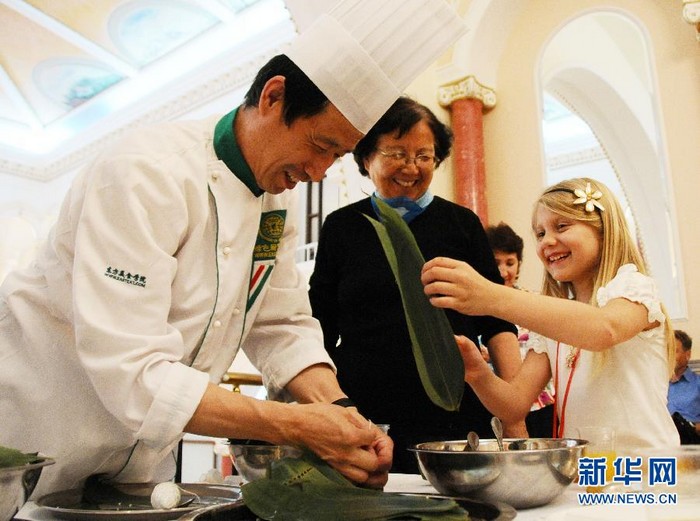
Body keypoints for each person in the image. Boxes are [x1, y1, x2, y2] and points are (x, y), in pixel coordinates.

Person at [0, 0, 467, 496]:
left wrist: (341, 415)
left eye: (335, 156)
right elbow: (132, 371)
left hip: (137, 472)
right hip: (35, 448)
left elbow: (281, 326)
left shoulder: (273, 206)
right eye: (321, 145)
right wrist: (296, 425)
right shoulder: (144, 173)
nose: (318, 172)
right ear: (273, 96)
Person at [308, 96, 523, 473]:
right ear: (366, 157)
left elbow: (497, 320)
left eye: (424, 156)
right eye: (396, 153)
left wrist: (513, 409)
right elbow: (320, 323)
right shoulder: (342, 227)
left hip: (454, 407)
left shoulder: (462, 224)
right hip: (366, 409)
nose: (411, 167)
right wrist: (320, 407)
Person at [421, 177, 680, 449]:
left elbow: (605, 329)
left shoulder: (633, 286)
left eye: (562, 226)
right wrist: (476, 371)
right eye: (540, 233)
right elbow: (514, 406)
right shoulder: (552, 322)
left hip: (645, 472)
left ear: (603, 230)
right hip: (588, 473)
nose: (547, 242)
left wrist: (491, 295)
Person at [485, 222, 555, 438]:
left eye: (510, 262)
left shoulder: (534, 302)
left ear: (519, 264)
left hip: (540, 406)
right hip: (492, 405)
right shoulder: (473, 309)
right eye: (496, 262)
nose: (503, 271)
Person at [667, 330, 700, 444]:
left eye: (674, 351)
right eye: (667, 351)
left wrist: (693, 428)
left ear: (688, 354)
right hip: (661, 442)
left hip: (690, 442)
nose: (669, 356)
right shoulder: (656, 385)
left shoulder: (697, 384)